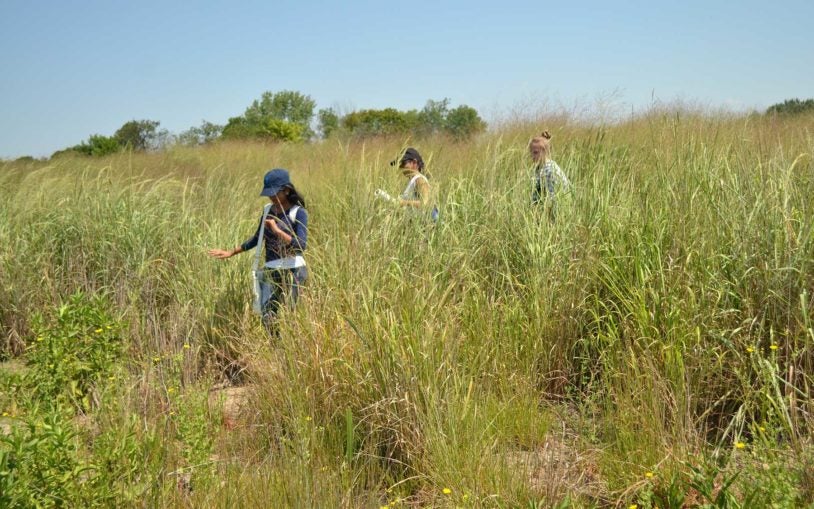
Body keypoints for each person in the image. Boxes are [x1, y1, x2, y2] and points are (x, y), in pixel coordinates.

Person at [208, 168, 308, 336]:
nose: (271, 197)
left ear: (286, 190)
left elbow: (300, 246)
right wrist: (231, 252)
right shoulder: (268, 210)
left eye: (275, 193)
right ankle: (278, 349)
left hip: (294, 270)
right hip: (271, 269)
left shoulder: (299, 212)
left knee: (293, 316)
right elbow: (257, 238)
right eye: (269, 193)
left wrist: (277, 230)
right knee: (267, 315)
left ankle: (294, 355)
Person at [375, 147, 439, 221]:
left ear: (414, 162)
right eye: (399, 165)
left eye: (403, 163)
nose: (400, 167)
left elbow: (426, 204)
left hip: (427, 225)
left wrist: (402, 202)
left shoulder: (419, 179)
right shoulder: (414, 180)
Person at [529, 131, 570, 222]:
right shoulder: (540, 168)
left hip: (554, 218)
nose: (532, 156)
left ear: (545, 152)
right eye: (531, 152)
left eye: (535, 153)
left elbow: (552, 201)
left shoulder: (550, 170)